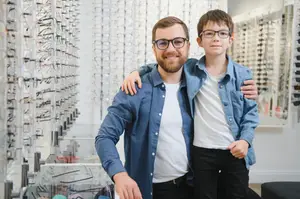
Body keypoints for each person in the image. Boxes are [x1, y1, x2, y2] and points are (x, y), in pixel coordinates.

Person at [121, 10, 259, 199]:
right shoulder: (191, 69)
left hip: (235, 149)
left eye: (222, 33)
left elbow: (251, 114)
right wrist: (135, 72)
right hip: (201, 152)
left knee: (236, 194)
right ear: (199, 41)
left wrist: (245, 140)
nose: (216, 38)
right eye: (209, 33)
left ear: (231, 39)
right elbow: (163, 64)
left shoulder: (243, 75)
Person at [95, 16, 194, 199]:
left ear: (188, 45)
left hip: (191, 186)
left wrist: (247, 89)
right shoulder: (134, 90)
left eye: (178, 42)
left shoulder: (197, 82)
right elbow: (104, 137)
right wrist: (120, 174)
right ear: (154, 47)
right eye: (163, 43)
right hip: (149, 190)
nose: (171, 49)